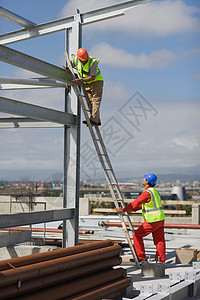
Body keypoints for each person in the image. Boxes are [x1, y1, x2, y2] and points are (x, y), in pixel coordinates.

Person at [116, 173, 166, 264]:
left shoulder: (147, 193)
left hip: (152, 220)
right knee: (159, 241)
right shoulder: (154, 191)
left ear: (147, 181)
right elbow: (142, 205)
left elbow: (137, 202)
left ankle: (141, 258)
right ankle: (161, 262)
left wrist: (124, 210)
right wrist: (131, 210)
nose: (142, 180)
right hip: (160, 219)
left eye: (144, 179)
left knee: (137, 235)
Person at [71, 48, 104, 126]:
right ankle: (97, 120)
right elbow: (71, 65)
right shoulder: (76, 60)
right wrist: (67, 68)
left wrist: (80, 80)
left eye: (84, 59)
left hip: (96, 82)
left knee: (95, 101)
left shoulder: (92, 63)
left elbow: (92, 77)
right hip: (86, 83)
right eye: (82, 60)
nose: (83, 61)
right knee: (89, 102)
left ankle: (93, 120)